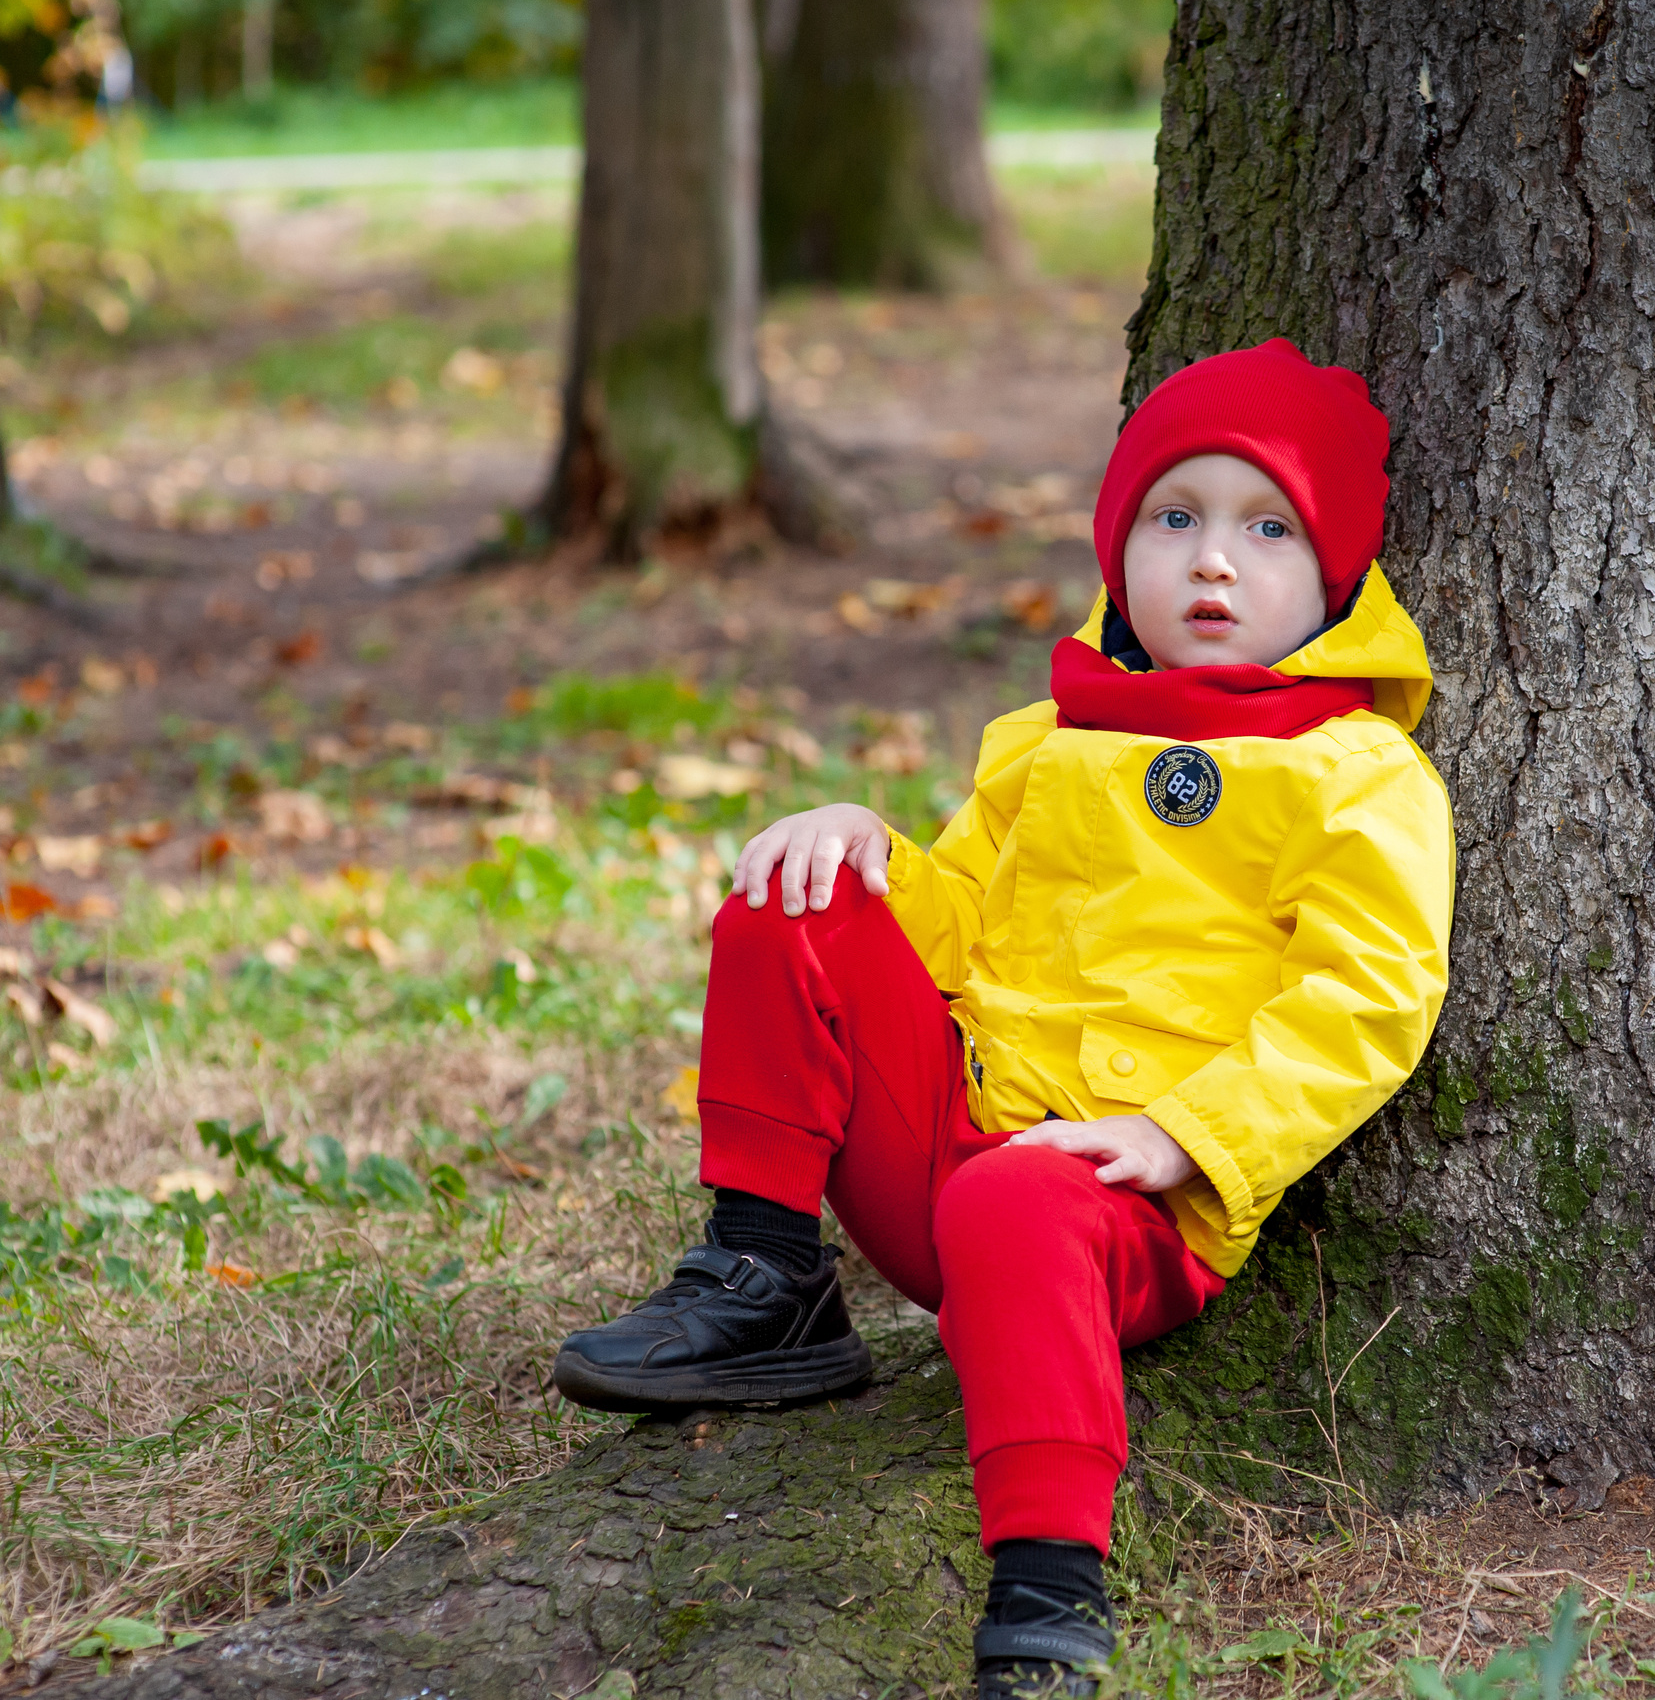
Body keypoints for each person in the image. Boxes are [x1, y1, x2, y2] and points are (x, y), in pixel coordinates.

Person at [551, 339, 1454, 1699]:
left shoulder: (1356, 775)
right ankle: (765, 1277)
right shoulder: (1055, 737)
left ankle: (1048, 1586)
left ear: (1336, 578)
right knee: (790, 900)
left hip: (1118, 1203)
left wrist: (1183, 1134)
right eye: (1176, 520)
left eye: (1268, 529)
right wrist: (871, 847)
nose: (1215, 562)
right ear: (1118, 548)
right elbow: (961, 917)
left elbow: (1366, 997)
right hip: (948, 1140)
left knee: (1017, 1201)